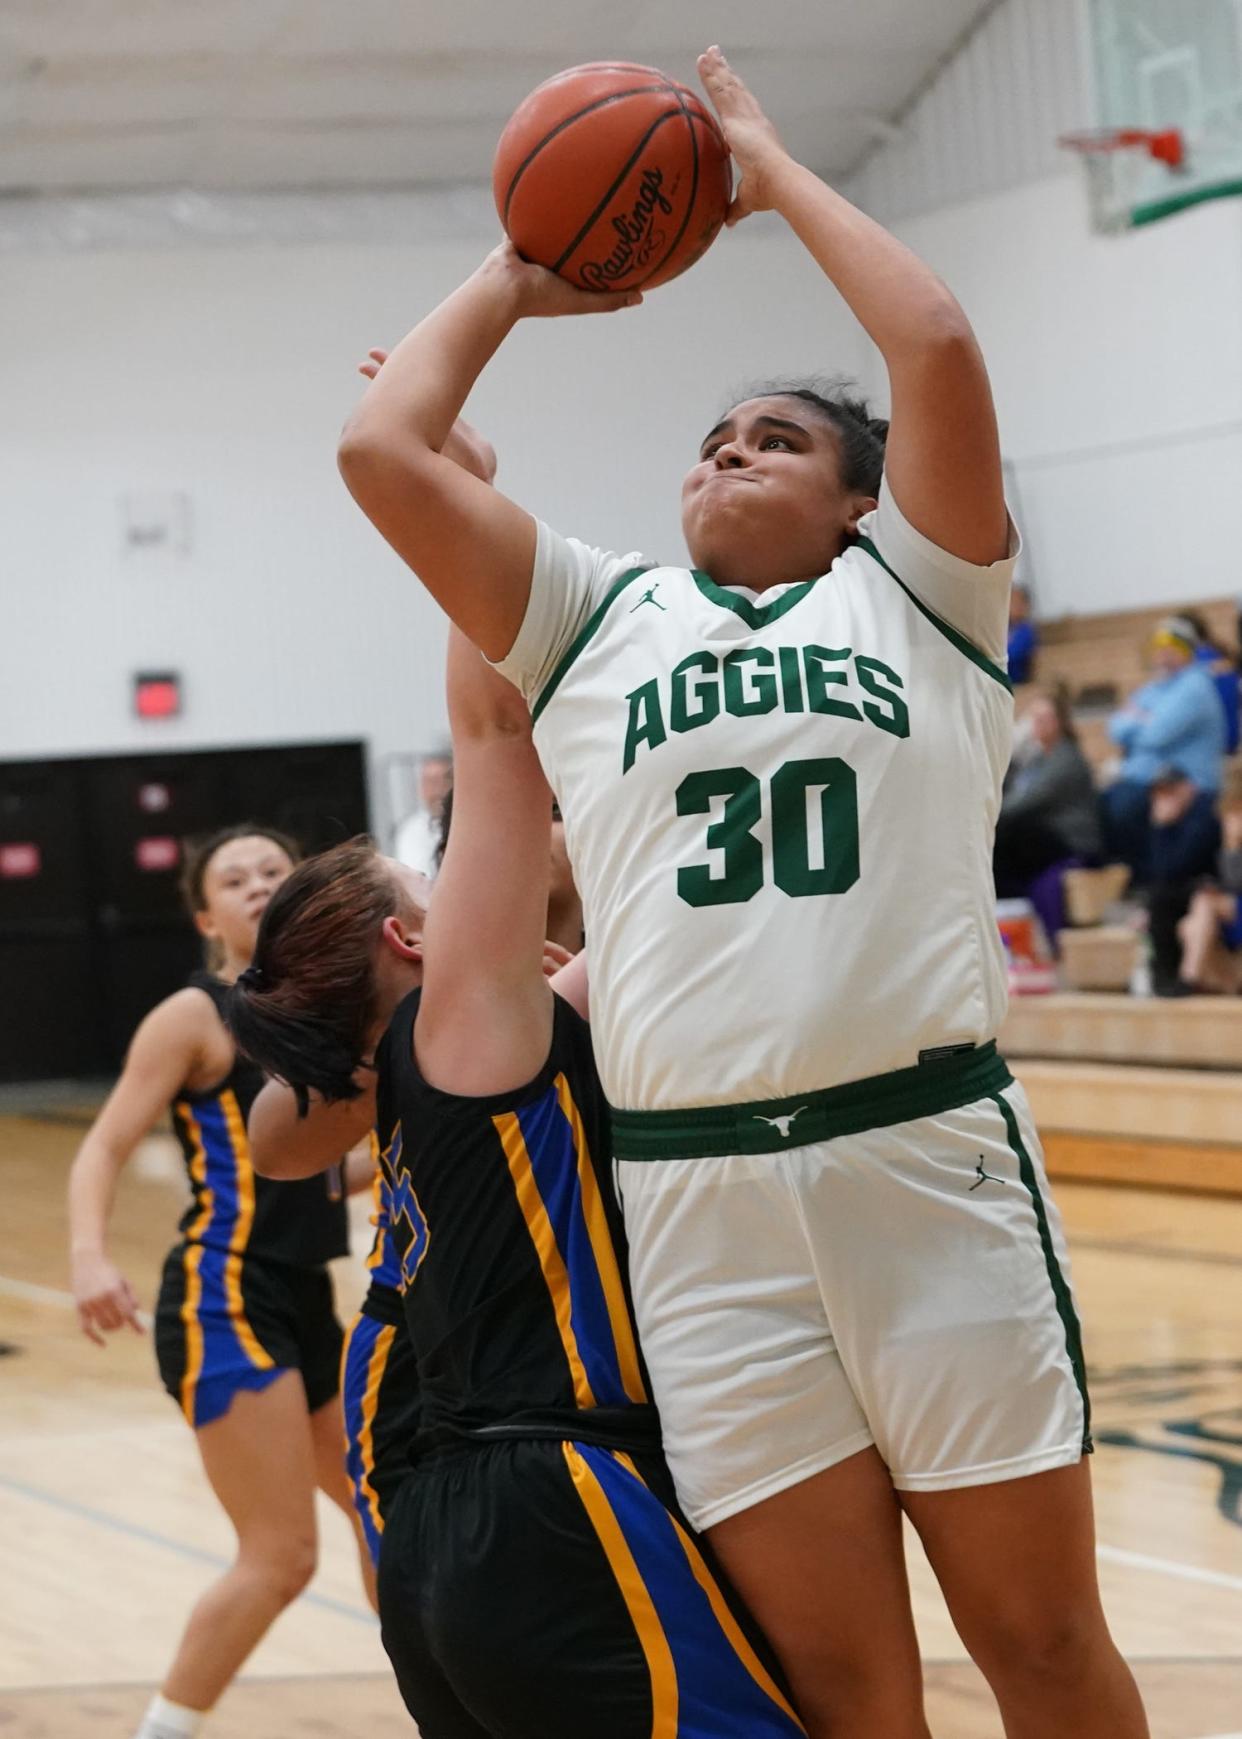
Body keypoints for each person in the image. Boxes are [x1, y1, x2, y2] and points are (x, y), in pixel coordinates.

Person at [334, 46, 1147, 1738]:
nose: (723, 452)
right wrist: (516, 274)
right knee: (848, 1685)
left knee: (1046, 1647)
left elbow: (929, 345)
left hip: (920, 1161)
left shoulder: (920, 604)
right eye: (705, 439)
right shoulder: (594, 617)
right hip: (698, 1209)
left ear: (865, 507)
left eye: (773, 437)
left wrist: (767, 175)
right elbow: (381, 448)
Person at [230, 625, 805, 1739]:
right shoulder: (459, 1041)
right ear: (411, 934)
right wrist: (475, 539)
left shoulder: (427, 1068)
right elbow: (500, 738)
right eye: (433, 881)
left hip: (439, 1524)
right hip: (547, 1496)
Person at [67, 826, 369, 1739]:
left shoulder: (325, 1014)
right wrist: (87, 1253)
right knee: (280, 1557)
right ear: (207, 916)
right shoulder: (195, 1016)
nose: (256, 887)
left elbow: (314, 1173)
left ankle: (451, 1701)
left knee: (388, 1507)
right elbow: (108, 1141)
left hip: (306, 1295)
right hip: (223, 1295)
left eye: (273, 871)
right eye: (233, 880)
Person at [1102, 615, 1226, 884]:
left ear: (1187, 650)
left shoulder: (1196, 686)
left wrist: (1139, 720)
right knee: (1106, 802)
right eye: (1158, 647)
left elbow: (1155, 735)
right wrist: (1145, 722)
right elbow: (1115, 728)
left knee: (1124, 807)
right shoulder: (1155, 687)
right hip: (1150, 780)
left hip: (1191, 785)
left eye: (1171, 646)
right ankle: (1137, 881)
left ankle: (1148, 883)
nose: (1163, 654)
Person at [994, 687, 1102, 898]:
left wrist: (988, 814)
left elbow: (1025, 802)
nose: (1038, 724)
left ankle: (1007, 902)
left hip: (1071, 840)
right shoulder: (1037, 757)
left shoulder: (1065, 758)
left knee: (1008, 831)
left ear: (1060, 721)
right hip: (1047, 834)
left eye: (1045, 718)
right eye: (1035, 718)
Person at [1160, 764, 1242, 995]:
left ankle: (1188, 979)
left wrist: (1232, 848)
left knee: (1203, 905)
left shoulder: (1234, 835)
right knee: (1188, 925)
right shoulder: (1226, 825)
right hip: (1233, 906)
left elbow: (1236, 881)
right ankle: (1226, 986)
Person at [394, 749, 453, 877]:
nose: (436, 789)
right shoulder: (410, 831)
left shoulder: (469, 826)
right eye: (429, 781)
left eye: (442, 780)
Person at [1007, 582, 1038, 685]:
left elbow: (1012, 655)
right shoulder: (1006, 630)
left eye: (1015, 602)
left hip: (1018, 684)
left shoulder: (1025, 631)